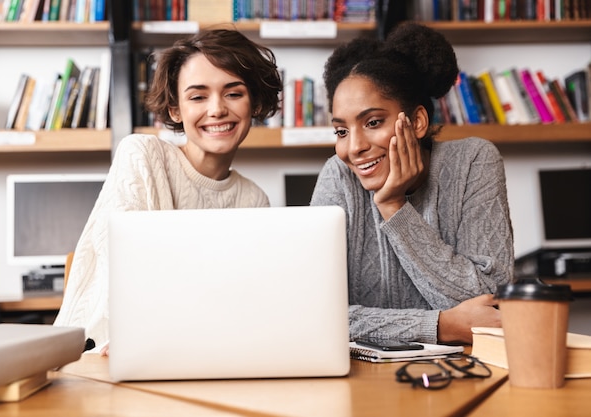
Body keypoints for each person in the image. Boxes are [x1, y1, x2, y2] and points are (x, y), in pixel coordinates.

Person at [54, 29, 283, 349]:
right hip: (105, 347)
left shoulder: (254, 199)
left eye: (233, 93)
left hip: (199, 347)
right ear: (175, 110)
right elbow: (120, 279)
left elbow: (240, 300)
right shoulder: (142, 154)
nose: (216, 109)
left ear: (255, 103)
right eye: (198, 96)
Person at [310, 22, 514, 345]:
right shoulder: (338, 176)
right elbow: (316, 314)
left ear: (417, 121)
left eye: (373, 122)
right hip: (364, 382)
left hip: (464, 375)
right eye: (341, 131)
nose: (353, 147)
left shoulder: (474, 161)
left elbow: (488, 305)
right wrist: (441, 325)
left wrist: (394, 207)